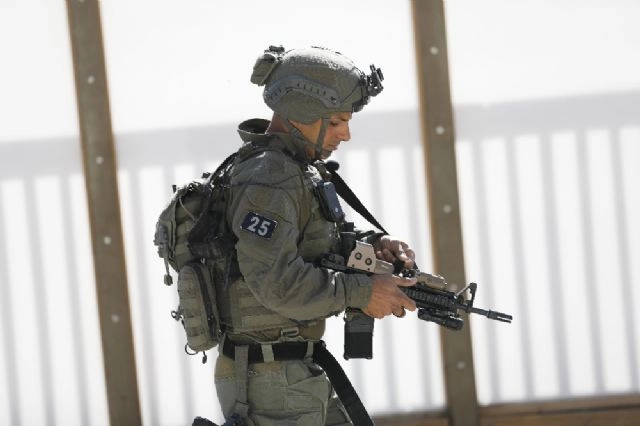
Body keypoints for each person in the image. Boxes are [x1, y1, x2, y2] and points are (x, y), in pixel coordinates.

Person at [213, 45, 418, 426]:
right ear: (303, 112)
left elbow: (313, 244)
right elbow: (276, 283)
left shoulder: (294, 170)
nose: (346, 134)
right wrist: (363, 292)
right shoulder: (270, 178)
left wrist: (374, 245)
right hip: (271, 379)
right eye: (337, 121)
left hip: (291, 370)